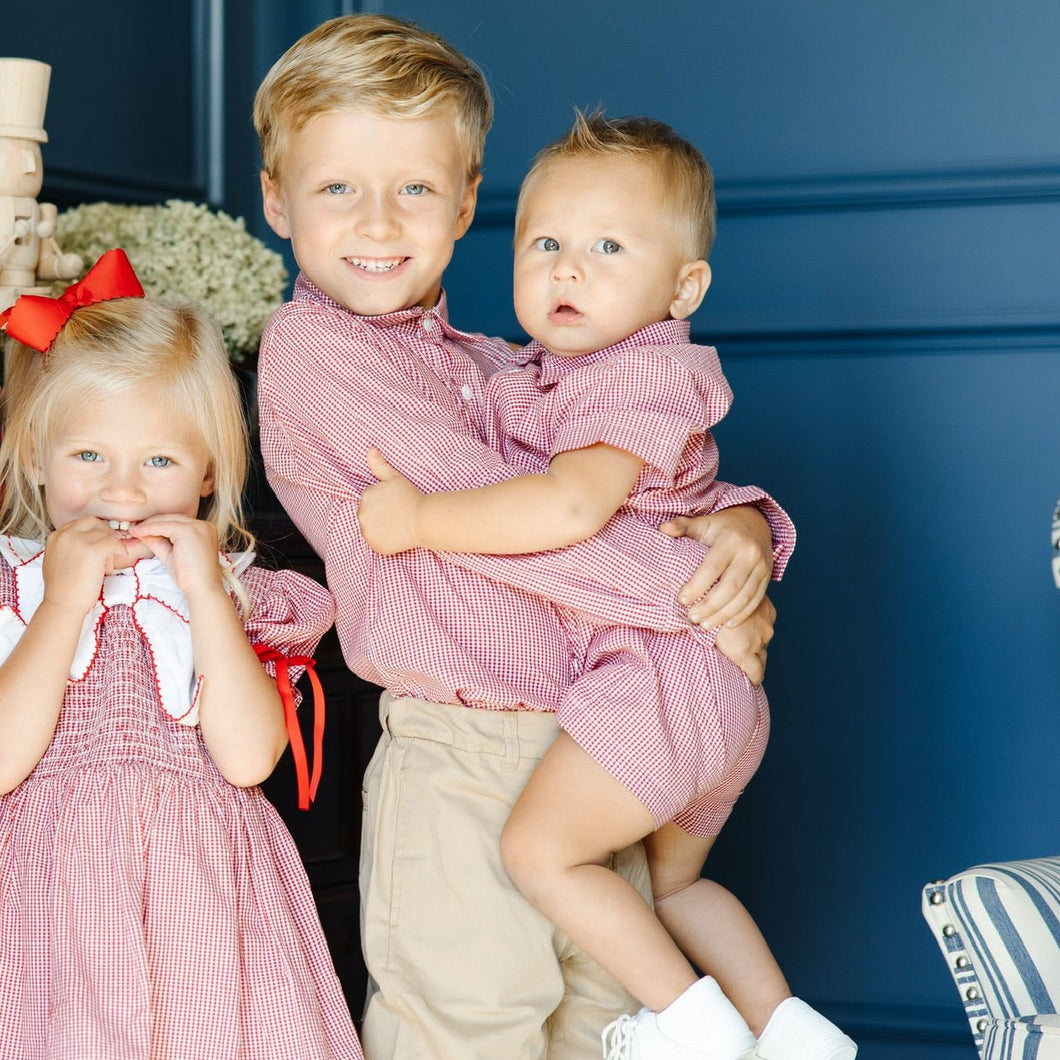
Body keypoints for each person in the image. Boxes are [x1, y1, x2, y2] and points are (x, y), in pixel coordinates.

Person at [253, 14, 793, 1059]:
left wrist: (738, 530)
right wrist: (699, 598)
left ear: (464, 203)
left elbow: (635, 484)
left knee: (610, 1030)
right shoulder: (321, 357)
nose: (378, 218)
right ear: (277, 201)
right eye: (335, 189)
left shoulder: (509, 361)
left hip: (594, 743)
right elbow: (543, 520)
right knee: (468, 1028)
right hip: (463, 757)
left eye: (414, 187)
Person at [357, 113, 856, 1060]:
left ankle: (693, 1027)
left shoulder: (640, 377)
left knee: (539, 854)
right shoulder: (555, 373)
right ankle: (793, 1034)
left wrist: (420, 521)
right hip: (713, 694)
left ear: (684, 287)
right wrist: (750, 518)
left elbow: (571, 509)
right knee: (673, 890)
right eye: (544, 242)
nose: (567, 269)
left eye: (606, 246)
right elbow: (692, 503)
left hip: (660, 683)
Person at [0, 250, 364, 1060]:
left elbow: (245, 759)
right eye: (87, 455)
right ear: (33, 457)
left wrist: (206, 594)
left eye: (159, 461)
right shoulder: (15, 586)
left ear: (206, 475)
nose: (122, 492)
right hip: (51, 901)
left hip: (204, 896)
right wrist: (64, 601)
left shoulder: (236, 595)